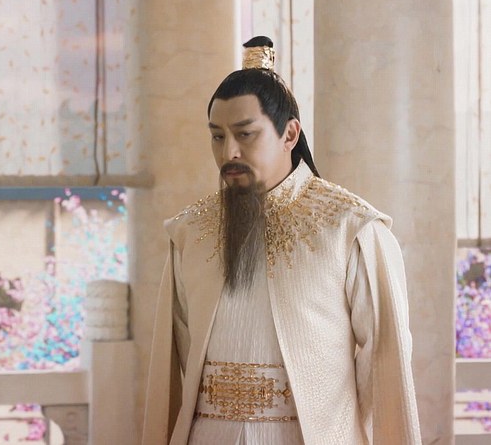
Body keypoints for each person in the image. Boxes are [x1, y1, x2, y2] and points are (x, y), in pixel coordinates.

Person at [141, 36, 421, 445]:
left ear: (290, 134)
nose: (229, 152)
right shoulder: (190, 232)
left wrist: (336, 424)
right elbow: (174, 364)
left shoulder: (350, 227)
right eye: (217, 136)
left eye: (245, 134)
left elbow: (385, 358)